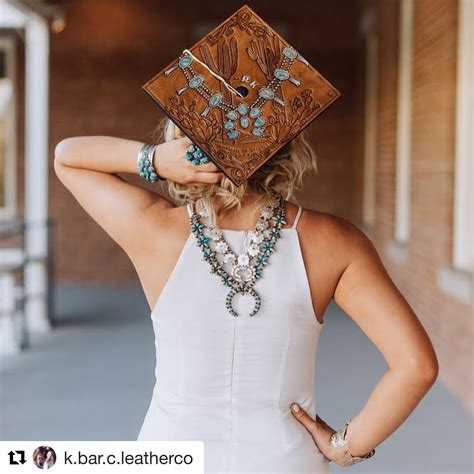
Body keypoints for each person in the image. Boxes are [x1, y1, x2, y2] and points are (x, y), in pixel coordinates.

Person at [54, 118, 439, 472]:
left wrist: (152, 159)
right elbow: (416, 367)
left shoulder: (153, 227)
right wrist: (346, 446)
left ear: (186, 143)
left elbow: (67, 158)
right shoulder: (336, 242)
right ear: (286, 145)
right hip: (287, 460)